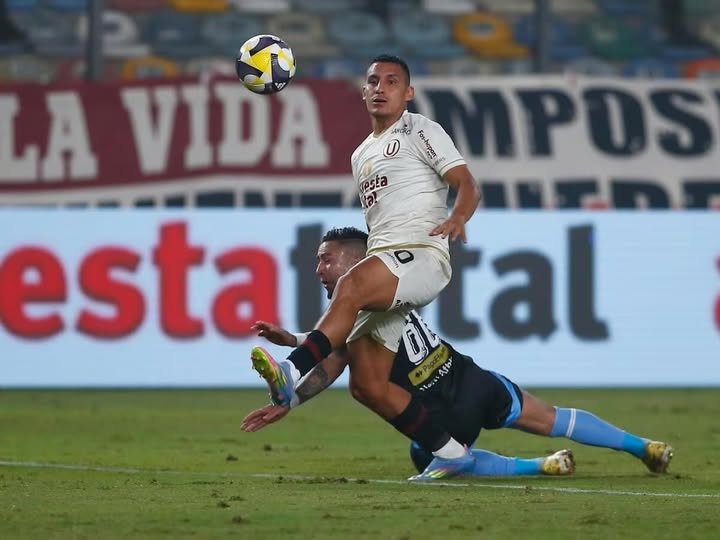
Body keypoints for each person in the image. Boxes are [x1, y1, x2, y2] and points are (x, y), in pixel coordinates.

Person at [243, 227, 674, 479]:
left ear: (356, 263)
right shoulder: (386, 293)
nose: (318, 269)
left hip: (438, 412)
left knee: (431, 453)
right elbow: (332, 359)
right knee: (556, 418)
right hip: (470, 380)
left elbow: (332, 360)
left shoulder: (355, 305)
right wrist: (292, 385)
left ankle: (537, 466)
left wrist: (294, 363)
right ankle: (643, 447)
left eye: (327, 260)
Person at [250, 54, 483, 479]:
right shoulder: (361, 155)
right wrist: (290, 402)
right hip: (386, 260)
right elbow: (334, 353)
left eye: (392, 82)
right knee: (367, 385)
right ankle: (451, 453)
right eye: (373, 81)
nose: (381, 88)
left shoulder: (420, 129)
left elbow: (466, 183)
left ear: (408, 93)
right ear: (363, 91)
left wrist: (459, 215)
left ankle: (289, 368)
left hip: (422, 254)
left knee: (351, 285)